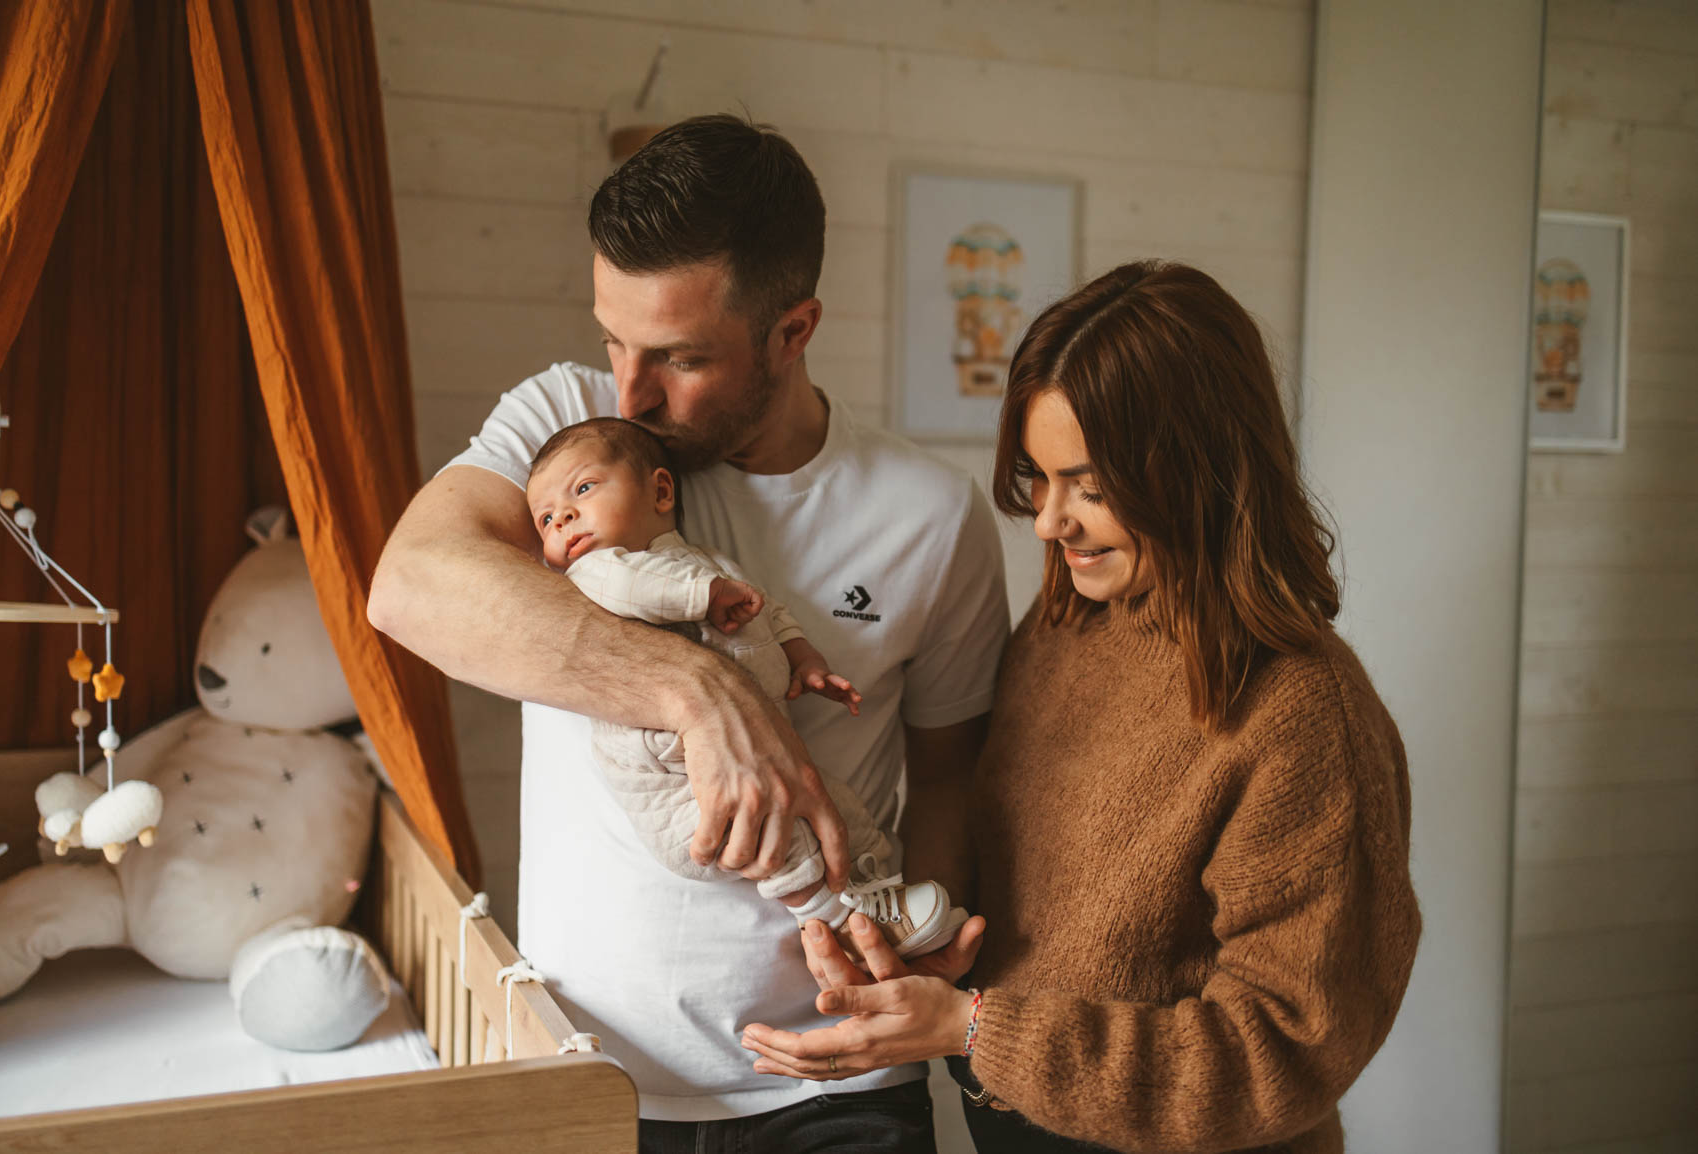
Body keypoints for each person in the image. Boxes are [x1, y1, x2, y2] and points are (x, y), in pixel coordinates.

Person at [367, 114, 1007, 1150]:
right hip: (590, 1079)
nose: (630, 389)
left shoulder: (930, 515)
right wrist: (694, 689)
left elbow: (949, 774)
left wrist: (906, 958)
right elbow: (409, 586)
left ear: (791, 331)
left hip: (837, 1087)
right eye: (614, 337)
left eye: (677, 356)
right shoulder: (568, 432)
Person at [740, 261, 1422, 1154]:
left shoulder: (1304, 712)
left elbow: (1282, 1052)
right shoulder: (1066, 627)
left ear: (1198, 473)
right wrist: (935, 945)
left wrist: (973, 1029)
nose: (1048, 523)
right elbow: (1039, 908)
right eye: (1038, 477)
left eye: (1090, 488)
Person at [526, 416, 969, 957]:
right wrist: (705, 597)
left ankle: (879, 887)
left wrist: (803, 661)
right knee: (781, 834)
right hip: (674, 787)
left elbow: (767, 610)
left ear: (660, 490)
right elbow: (639, 588)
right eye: (546, 518)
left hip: (753, 762)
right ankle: (838, 922)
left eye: (583, 489)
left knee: (837, 805)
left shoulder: (705, 563)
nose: (563, 517)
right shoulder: (598, 573)